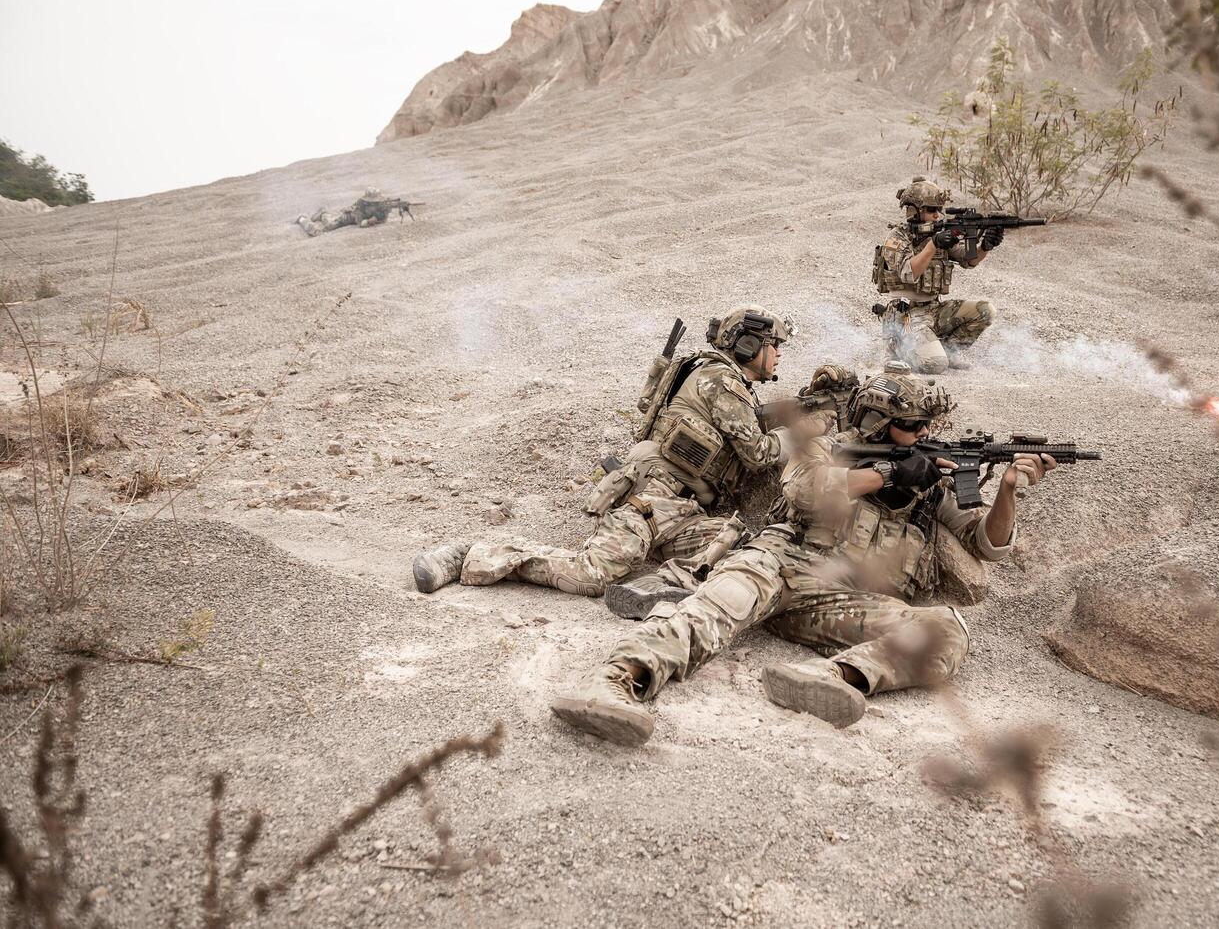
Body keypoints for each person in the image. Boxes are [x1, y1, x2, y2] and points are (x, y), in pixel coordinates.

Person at [549, 362, 1056, 746]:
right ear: (880, 424)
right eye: (914, 426)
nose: (925, 436)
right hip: (781, 563)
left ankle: (830, 678)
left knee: (945, 629)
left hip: (840, 601)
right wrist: (889, 474)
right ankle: (615, 681)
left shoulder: (930, 478)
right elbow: (805, 490)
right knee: (712, 607)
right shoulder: (829, 448)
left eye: (927, 427)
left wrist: (1009, 489)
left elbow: (987, 545)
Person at [410, 306, 830, 612]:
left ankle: (655, 585)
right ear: (750, 344)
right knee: (589, 575)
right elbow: (757, 453)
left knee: (742, 548)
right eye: (774, 346)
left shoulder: (722, 379)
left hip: (685, 512)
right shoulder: (719, 379)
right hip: (652, 500)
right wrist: (806, 430)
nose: (778, 355)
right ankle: (471, 555)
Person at [872, 176, 1004, 372]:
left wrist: (984, 246)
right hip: (906, 315)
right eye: (932, 210)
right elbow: (909, 273)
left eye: (939, 210)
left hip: (934, 309)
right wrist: (934, 244)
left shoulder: (938, 233)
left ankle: (948, 350)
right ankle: (898, 346)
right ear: (914, 210)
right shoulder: (897, 238)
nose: (937, 215)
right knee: (935, 364)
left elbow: (969, 260)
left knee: (986, 310)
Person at [295, 188, 395, 237]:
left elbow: (383, 216)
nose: (376, 203)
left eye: (377, 200)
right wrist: (370, 221)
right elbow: (361, 223)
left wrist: (383, 214)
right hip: (350, 217)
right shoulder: (361, 205)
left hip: (361, 217)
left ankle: (323, 213)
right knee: (323, 230)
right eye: (373, 201)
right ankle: (304, 219)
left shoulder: (382, 204)